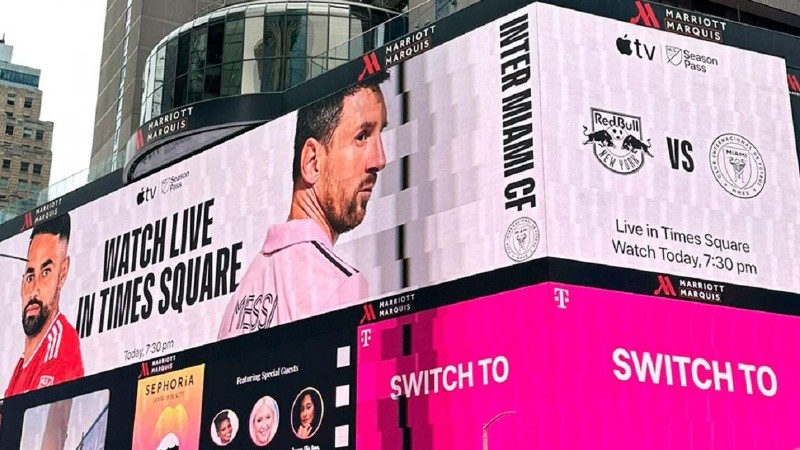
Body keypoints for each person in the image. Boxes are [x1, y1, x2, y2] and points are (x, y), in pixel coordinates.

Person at [218, 71, 390, 340]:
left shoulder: (240, 300)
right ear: (312, 162)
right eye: (362, 136)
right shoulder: (340, 285)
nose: (379, 159)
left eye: (381, 134)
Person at [5, 213, 84, 398]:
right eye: (30, 276)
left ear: (62, 273)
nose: (34, 290)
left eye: (46, 272)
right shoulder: (23, 362)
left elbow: (44, 426)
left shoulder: (61, 350)